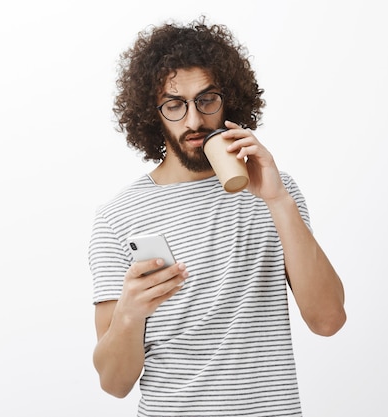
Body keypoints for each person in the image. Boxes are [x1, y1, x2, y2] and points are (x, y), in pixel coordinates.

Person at [88, 17, 346, 417]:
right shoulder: (117, 218)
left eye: (206, 100)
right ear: (151, 113)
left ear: (229, 100)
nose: (193, 121)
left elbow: (328, 320)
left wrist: (277, 200)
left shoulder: (278, 191)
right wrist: (130, 314)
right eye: (175, 105)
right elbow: (113, 383)